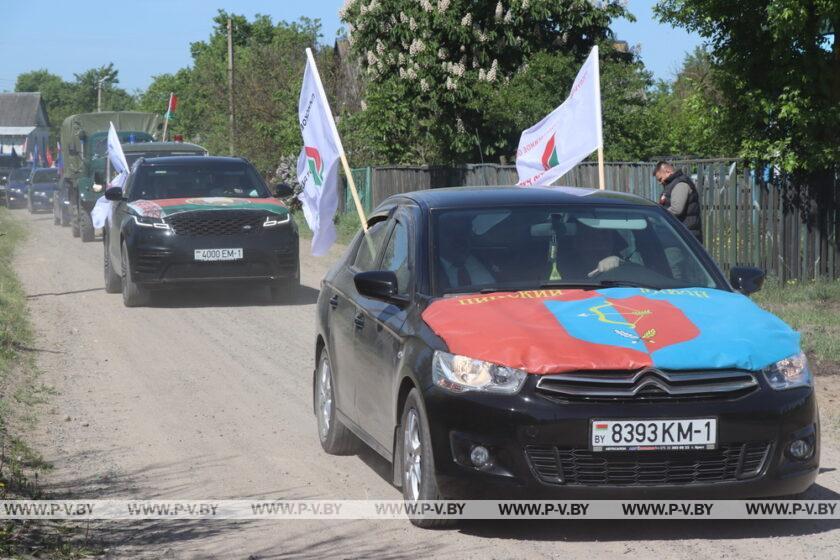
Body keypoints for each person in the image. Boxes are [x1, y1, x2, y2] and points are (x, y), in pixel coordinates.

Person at [437, 216, 494, 290]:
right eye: (452, 233)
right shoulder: (426, 270)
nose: (460, 240)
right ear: (438, 237)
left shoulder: (485, 261)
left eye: (464, 233)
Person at [653, 161, 703, 243]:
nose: (660, 182)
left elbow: (676, 209)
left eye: (660, 179)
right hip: (679, 234)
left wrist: (659, 215)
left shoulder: (680, 184)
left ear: (668, 172)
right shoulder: (672, 184)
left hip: (685, 236)